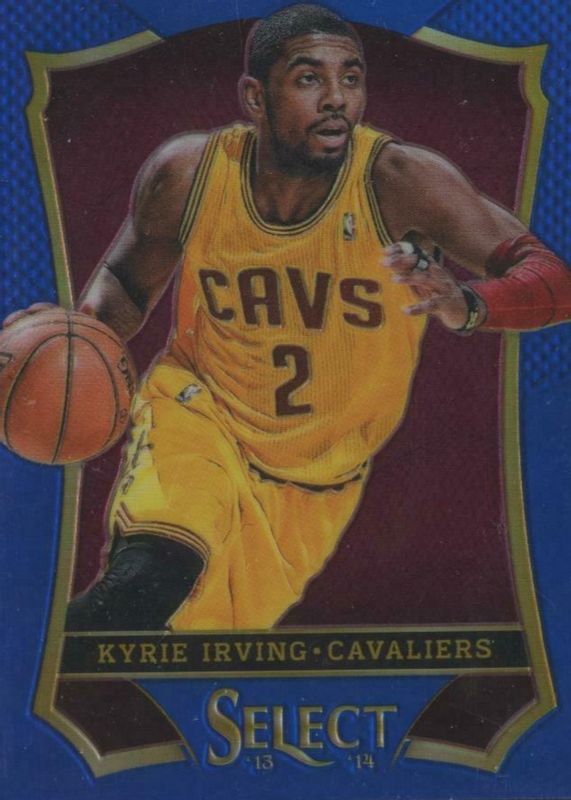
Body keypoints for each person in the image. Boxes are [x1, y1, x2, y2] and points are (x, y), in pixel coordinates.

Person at [6, 4, 571, 631]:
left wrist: (470, 304)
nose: (336, 99)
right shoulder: (189, 173)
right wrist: (77, 345)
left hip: (315, 486)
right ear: (255, 96)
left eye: (350, 78)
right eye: (309, 78)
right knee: (143, 582)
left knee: (190, 644)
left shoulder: (399, 179)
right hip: (200, 414)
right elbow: (126, 283)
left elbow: (552, 278)